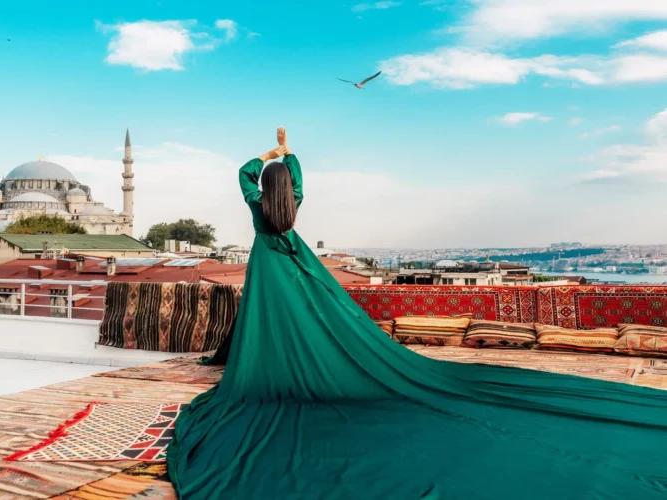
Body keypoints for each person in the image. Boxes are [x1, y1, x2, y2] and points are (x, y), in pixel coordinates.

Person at [168, 128, 667, 499]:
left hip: (267, 263)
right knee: (309, 314)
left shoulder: (258, 207)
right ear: (290, 190)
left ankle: (257, 359)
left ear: (263, 188)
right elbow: (295, 180)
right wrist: (290, 153)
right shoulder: (292, 204)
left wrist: (267, 156)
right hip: (296, 259)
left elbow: (242, 173)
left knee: (268, 315)